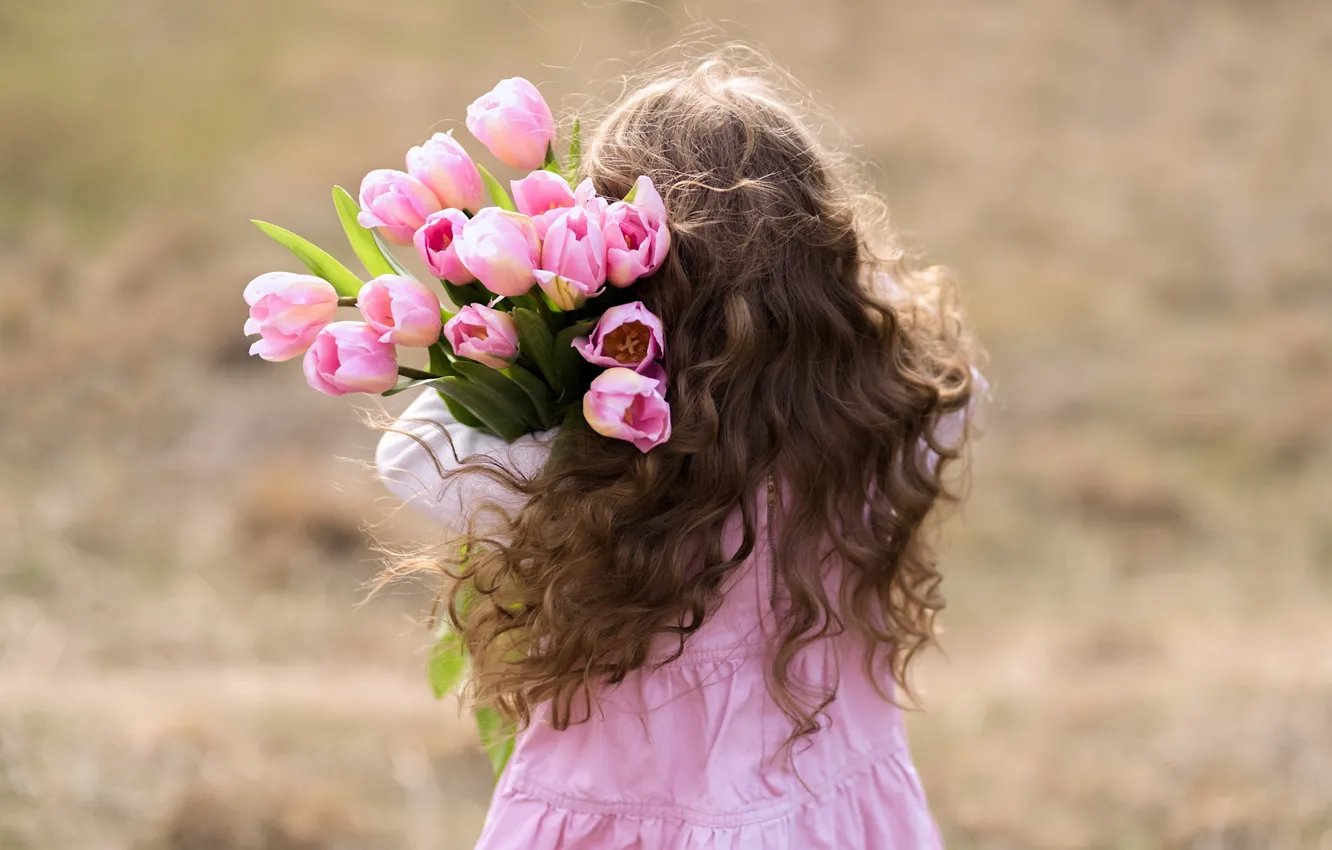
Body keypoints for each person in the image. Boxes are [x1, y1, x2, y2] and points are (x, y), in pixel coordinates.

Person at [377, 51, 982, 850]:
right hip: (832, 819)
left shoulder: (589, 459)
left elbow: (409, 455)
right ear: (830, 249)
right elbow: (953, 374)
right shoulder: (890, 414)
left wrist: (520, 311)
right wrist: (828, 299)